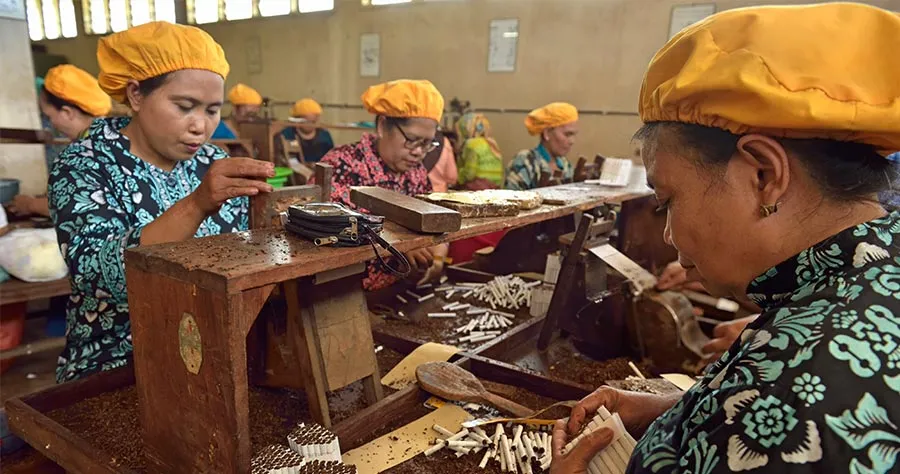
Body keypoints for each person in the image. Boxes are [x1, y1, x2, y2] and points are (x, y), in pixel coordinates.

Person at [552, 4, 900, 474]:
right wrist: (685, 408)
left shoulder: (793, 403)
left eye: (667, 200)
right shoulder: (871, 267)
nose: (670, 233)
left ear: (763, 174)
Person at [48, 21, 274, 383]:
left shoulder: (209, 164)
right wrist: (196, 205)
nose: (200, 126)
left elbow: (242, 256)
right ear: (136, 95)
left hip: (214, 352)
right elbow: (96, 275)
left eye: (212, 110)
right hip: (119, 363)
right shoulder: (84, 164)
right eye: (185, 106)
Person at [316, 79, 449, 290]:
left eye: (426, 144)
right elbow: (324, 231)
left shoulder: (416, 173)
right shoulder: (342, 164)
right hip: (345, 295)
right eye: (412, 140)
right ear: (381, 125)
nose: (418, 152)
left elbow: (432, 220)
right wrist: (400, 244)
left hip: (398, 290)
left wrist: (438, 255)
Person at [9, 65, 111, 218]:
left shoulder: (88, 149)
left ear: (67, 113)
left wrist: (30, 204)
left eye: (49, 117)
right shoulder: (111, 133)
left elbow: (77, 206)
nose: (51, 124)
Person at [506, 103, 578, 190]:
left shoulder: (565, 165)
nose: (572, 141)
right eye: (567, 134)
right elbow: (512, 199)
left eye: (573, 135)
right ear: (547, 133)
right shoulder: (526, 162)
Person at [455, 112, 503, 190]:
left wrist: (459, 176)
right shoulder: (492, 143)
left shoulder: (471, 144)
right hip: (495, 187)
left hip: (477, 186)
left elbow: (470, 173)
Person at [280, 98, 334, 163]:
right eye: (308, 121)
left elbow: (331, 158)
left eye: (314, 121)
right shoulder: (287, 134)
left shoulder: (324, 136)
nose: (312, 125)